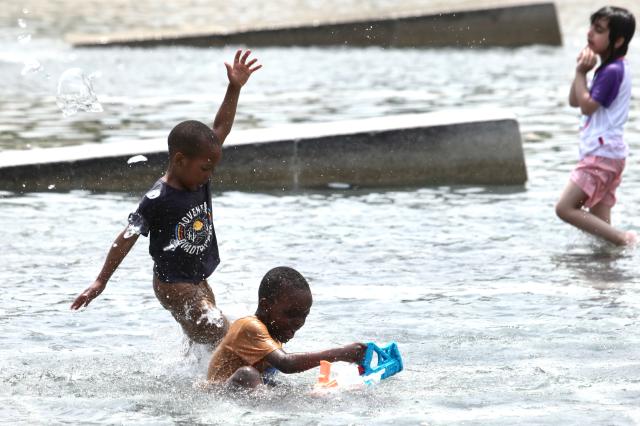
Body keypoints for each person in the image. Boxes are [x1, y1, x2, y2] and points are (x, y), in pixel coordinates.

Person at [70, 50, 262, 348]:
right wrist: (101, 281)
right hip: (174, 284)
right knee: (224, 336)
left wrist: (234, 87)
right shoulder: (157, 197)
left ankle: (201, 380)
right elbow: (127, 237)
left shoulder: (198, 171)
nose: (209, 174)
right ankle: (245, 377)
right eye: (205, 167)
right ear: (181, 160)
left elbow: (220, 129)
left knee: (206, 342)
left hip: (196, 277)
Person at [207, 266, 367, 389]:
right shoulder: (249, 327)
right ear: (265, 306)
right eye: (291, 314)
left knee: (274, 384)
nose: (298, 322)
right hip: (219, 394)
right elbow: (287, 363)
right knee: (247, 375)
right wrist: (341, 353)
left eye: (304, 315)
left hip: (240, 393)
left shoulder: (274, 333)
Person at [556, 6, 636, 246]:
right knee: (602, 236)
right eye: (591, 27)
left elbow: (587, 107)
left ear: (618, 40)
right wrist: (581, 72)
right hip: (609, 155)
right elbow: (575, 100)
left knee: (565, 208)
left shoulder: (612, 70)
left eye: (599, 30)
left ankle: (626, 240)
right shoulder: (607, 68)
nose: (590, 33)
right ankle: (606, 277)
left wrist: (581, 72)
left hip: (600, 156)